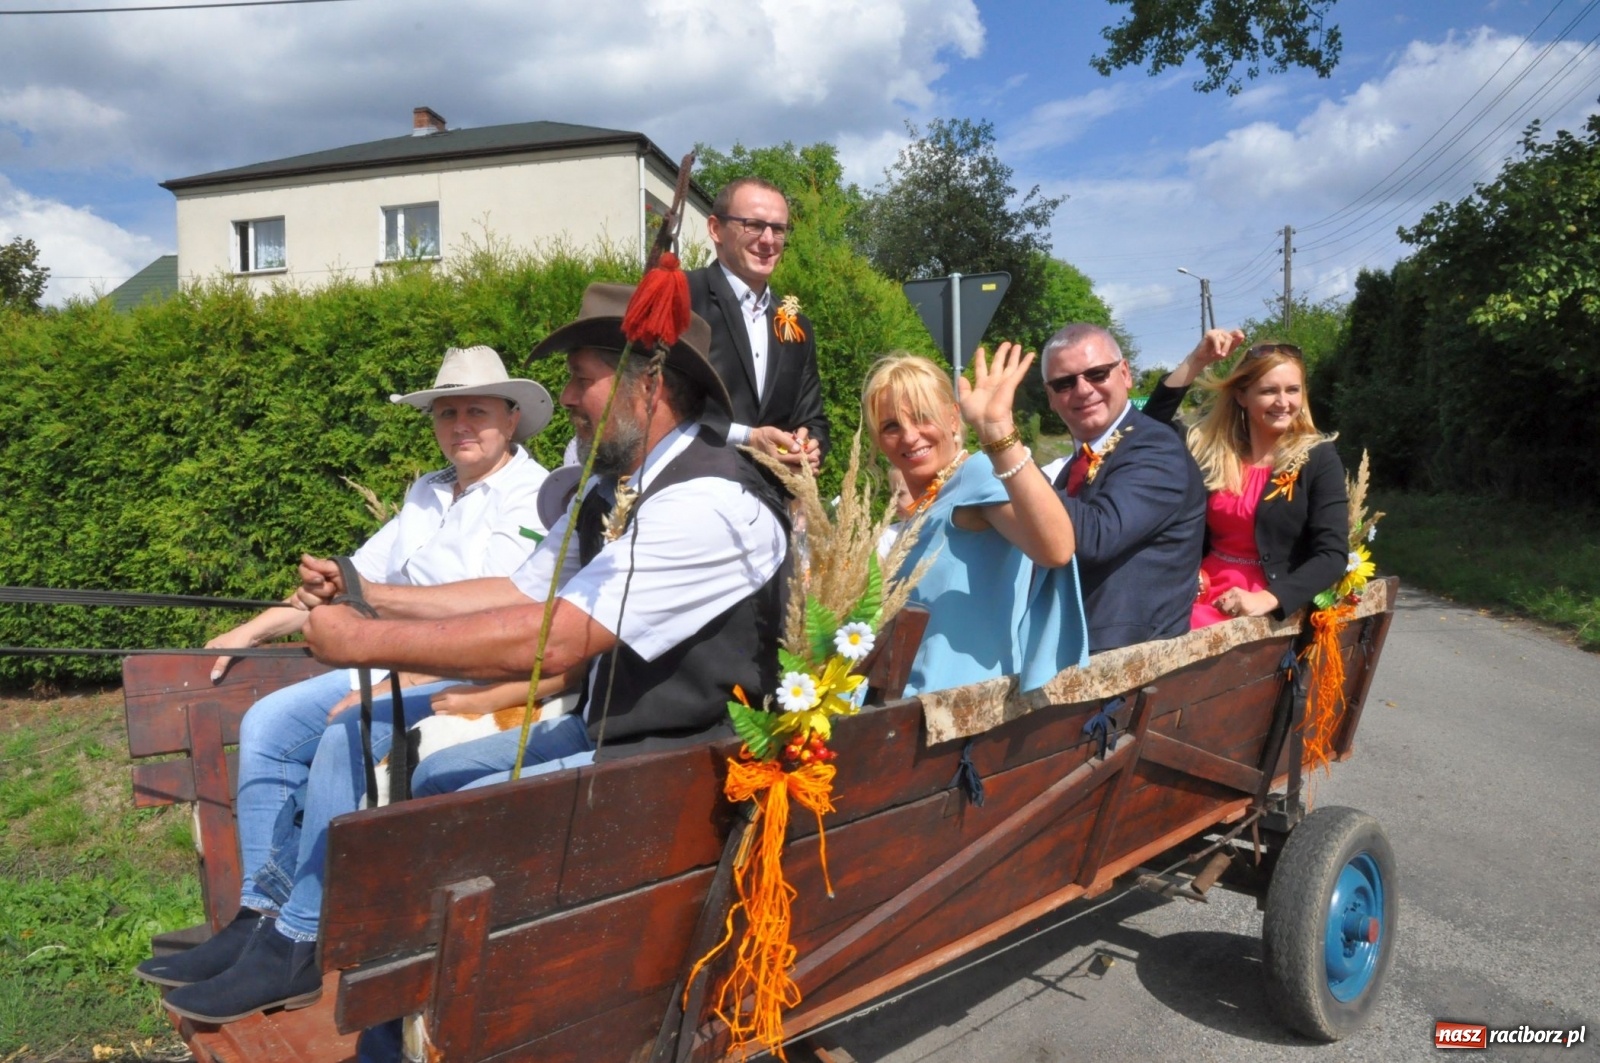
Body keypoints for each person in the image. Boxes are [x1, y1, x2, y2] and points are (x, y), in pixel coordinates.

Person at [156, 283, 790, 1025]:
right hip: (611, 733)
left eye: (581, 379)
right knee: (435, 774)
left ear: (648, 386)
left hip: (682, 762)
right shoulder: (613, 489)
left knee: (451, 808)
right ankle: (314, 944)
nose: (568, 397)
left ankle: (401, 1001)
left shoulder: (710, 503)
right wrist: (365, 591)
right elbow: (518, 593)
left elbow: (554, 637)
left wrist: (363, 638)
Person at [138, 345, 554, 1012]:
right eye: (445, 413)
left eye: (476, 411)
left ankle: (299, 942)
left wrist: (397, 667)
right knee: (268, 721)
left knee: (344, 734)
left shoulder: (537, 495)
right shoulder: (427, 492)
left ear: (512, 417)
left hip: (473, 678)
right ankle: (257, 918)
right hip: (388, 662)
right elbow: (351, 583)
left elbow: (504, 611)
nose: (459, 425)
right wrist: (251, 630)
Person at [866, 347, 1088, 695]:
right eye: (891, 426)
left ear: (953, 419)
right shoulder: (927, 503)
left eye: (922, 417)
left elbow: (1057, 549)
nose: (909, 436)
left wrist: (998, 432)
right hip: (911, 707)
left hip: (961, 709)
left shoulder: (976, 473)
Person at [1143, 331, 1349, 626]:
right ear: (1242, 396)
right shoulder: (1212, 451)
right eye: (1269, 391)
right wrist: (1196, 361)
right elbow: (1148, 429)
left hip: (1264, 601)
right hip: (1200, 588)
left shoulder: (1317, 458)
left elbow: (1332, 554)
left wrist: (1267, 598)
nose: (1283, 402)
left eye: (1293, 390)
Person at [1038, 323, 1207, 653]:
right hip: (1072, 650)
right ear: (1050, 397)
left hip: (1132, 662)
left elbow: (1096, 537)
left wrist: (1009, 455)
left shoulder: (1156, 447)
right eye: (1064, 383)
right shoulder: (1073, 466)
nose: (1083, 390)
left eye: (1097, 374)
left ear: (1125, 374)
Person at [689, 176, 828, 472]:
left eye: (778, 229)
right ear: (715, 229)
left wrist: (810, 445)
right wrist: (748, 438)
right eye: (753, 225)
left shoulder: (796, 324)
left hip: (770, 494)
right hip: (691, 485)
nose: (767, 240)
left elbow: (813, 418)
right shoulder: (684, 298)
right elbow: (656, 405)